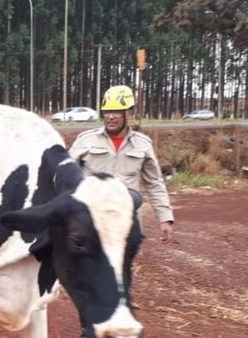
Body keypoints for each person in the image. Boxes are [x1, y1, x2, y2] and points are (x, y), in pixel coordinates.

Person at [69, 85, 175, 242]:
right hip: (91, 219)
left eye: (117, 112)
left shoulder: (142, 144)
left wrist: (165, 218)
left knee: (123, 265)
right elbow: (65, 176)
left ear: (129, 113)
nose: (111, 117)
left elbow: (154, 183)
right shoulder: (86, 140)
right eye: (107, 112)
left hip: (127, 223)